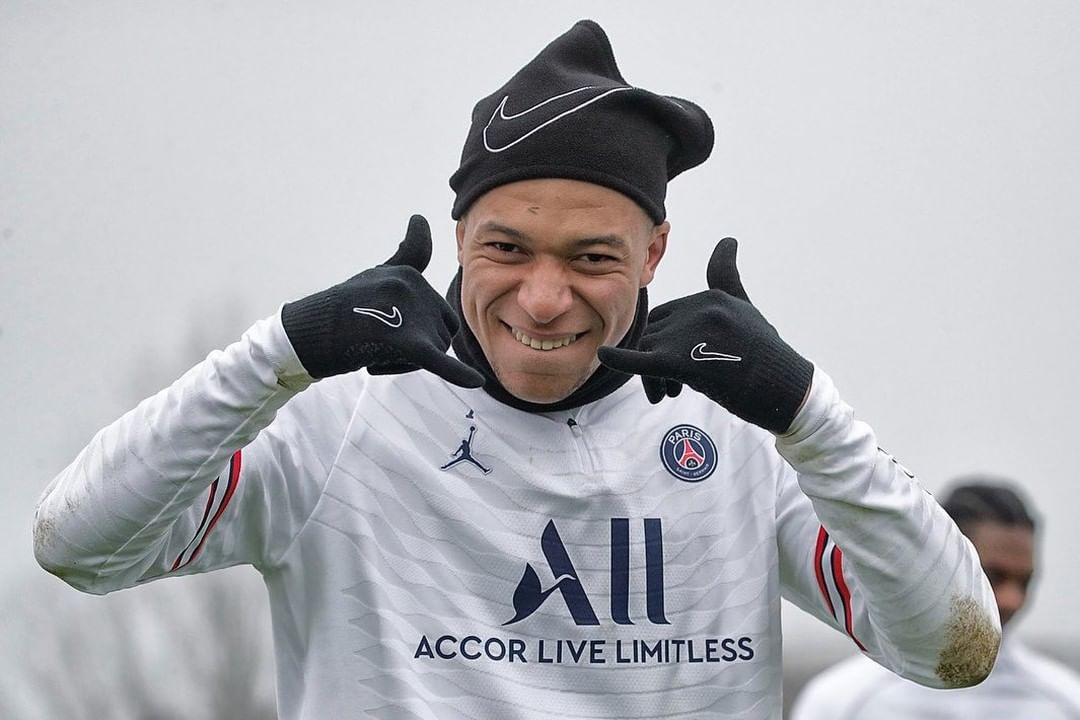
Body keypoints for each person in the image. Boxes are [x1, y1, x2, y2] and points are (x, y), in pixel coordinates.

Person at [33, 20, 1000, 720]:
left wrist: (807, 412)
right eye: (505, 249)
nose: (543, 300)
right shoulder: (338, 420)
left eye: (592, 258)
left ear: (657, 252)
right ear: (458, 234)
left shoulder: (751, 432)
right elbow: (78, 544)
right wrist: (283, 349)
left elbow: (952, 651)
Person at [790, 479, 1080, 720]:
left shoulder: (1064, 701)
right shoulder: (842, 701)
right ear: (946, 565)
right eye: (993, 576)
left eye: (1024, 582)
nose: (1011, 599)